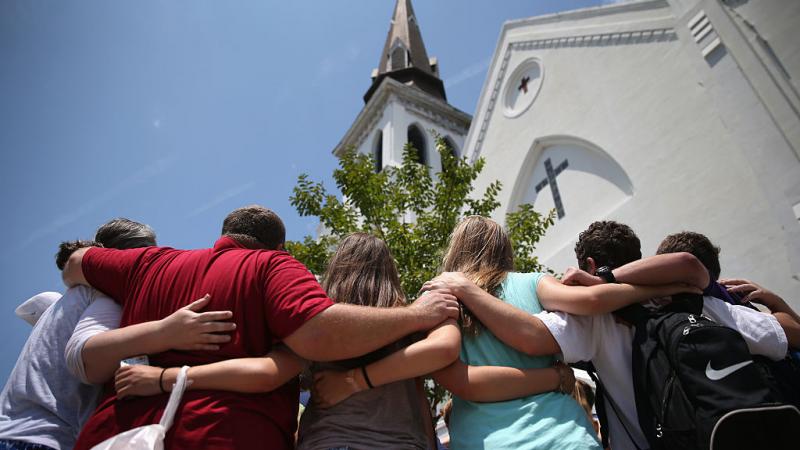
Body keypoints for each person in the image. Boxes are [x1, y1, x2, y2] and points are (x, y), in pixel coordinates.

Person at [64, 205, 459, 449]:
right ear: (280, 249)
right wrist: (418, 314)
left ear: (223, 235)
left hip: (116, 436)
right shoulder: (275, 267)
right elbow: (315, 335)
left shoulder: (149, 262)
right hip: (226, 436)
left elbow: (77, 262)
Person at [424, 220, 797, 450]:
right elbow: (789, 337)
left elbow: (533, 337)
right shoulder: (701, 301)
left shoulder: (592, 321)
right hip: (729, 434)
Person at [0, 219, 232, 450]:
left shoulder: (67, 300)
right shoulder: (105, 297)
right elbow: (84, 353)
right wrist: (168, 332)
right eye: (144, 260)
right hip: (40, 440)